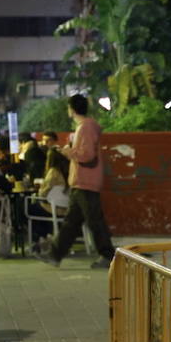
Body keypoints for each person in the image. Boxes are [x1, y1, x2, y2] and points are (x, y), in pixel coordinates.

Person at [36, 94, 114, 269]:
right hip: (82, 181)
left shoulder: (85, 127)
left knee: (93, 221)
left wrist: (68, 152)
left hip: (85, 180)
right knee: (72, 222)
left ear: (72, 109)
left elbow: (87, 155)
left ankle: (107, 255)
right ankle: (55, 255)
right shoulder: (86, 126)